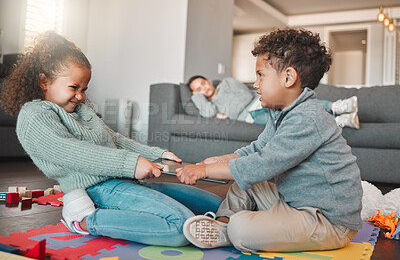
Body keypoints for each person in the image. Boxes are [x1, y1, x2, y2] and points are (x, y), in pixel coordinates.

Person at [0, 31, 222, 246]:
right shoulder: (34, 116)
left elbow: (113, 140)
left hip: (125, 182)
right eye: (74, 87)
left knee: (216, 205)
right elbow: (72, 152)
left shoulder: (79, 111)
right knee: (180, 226)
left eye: (84, 88)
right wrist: (131, 163)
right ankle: (85, 221)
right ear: (44, 81)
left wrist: (157, 154)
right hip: (97, 188)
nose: (80, 95)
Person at [176, 28, 363, 252]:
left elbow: (263, 163)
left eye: (260, 75)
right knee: (242, 186)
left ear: (288, 77)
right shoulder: (280, 112)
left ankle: (231, 230)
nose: (255, 84)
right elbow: (257, 149)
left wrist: (204, 172)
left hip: (328, 220)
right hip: (293, 200)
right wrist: (215, 161)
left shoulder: (307, 118)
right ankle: (221, 224)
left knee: (241, 228)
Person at [187, 75, 360, 129]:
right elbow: (208, 114)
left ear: (208, 80)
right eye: (198, 89)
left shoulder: (226, 83)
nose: (204, 88)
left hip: (260, 101)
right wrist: (198, 98)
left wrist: (227, 113)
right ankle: (339, 121)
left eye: (203, 83)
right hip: (251, 118)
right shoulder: (209, 105)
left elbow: (245, 97)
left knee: (296, 104)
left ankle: (337, 106)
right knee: (291, 121)